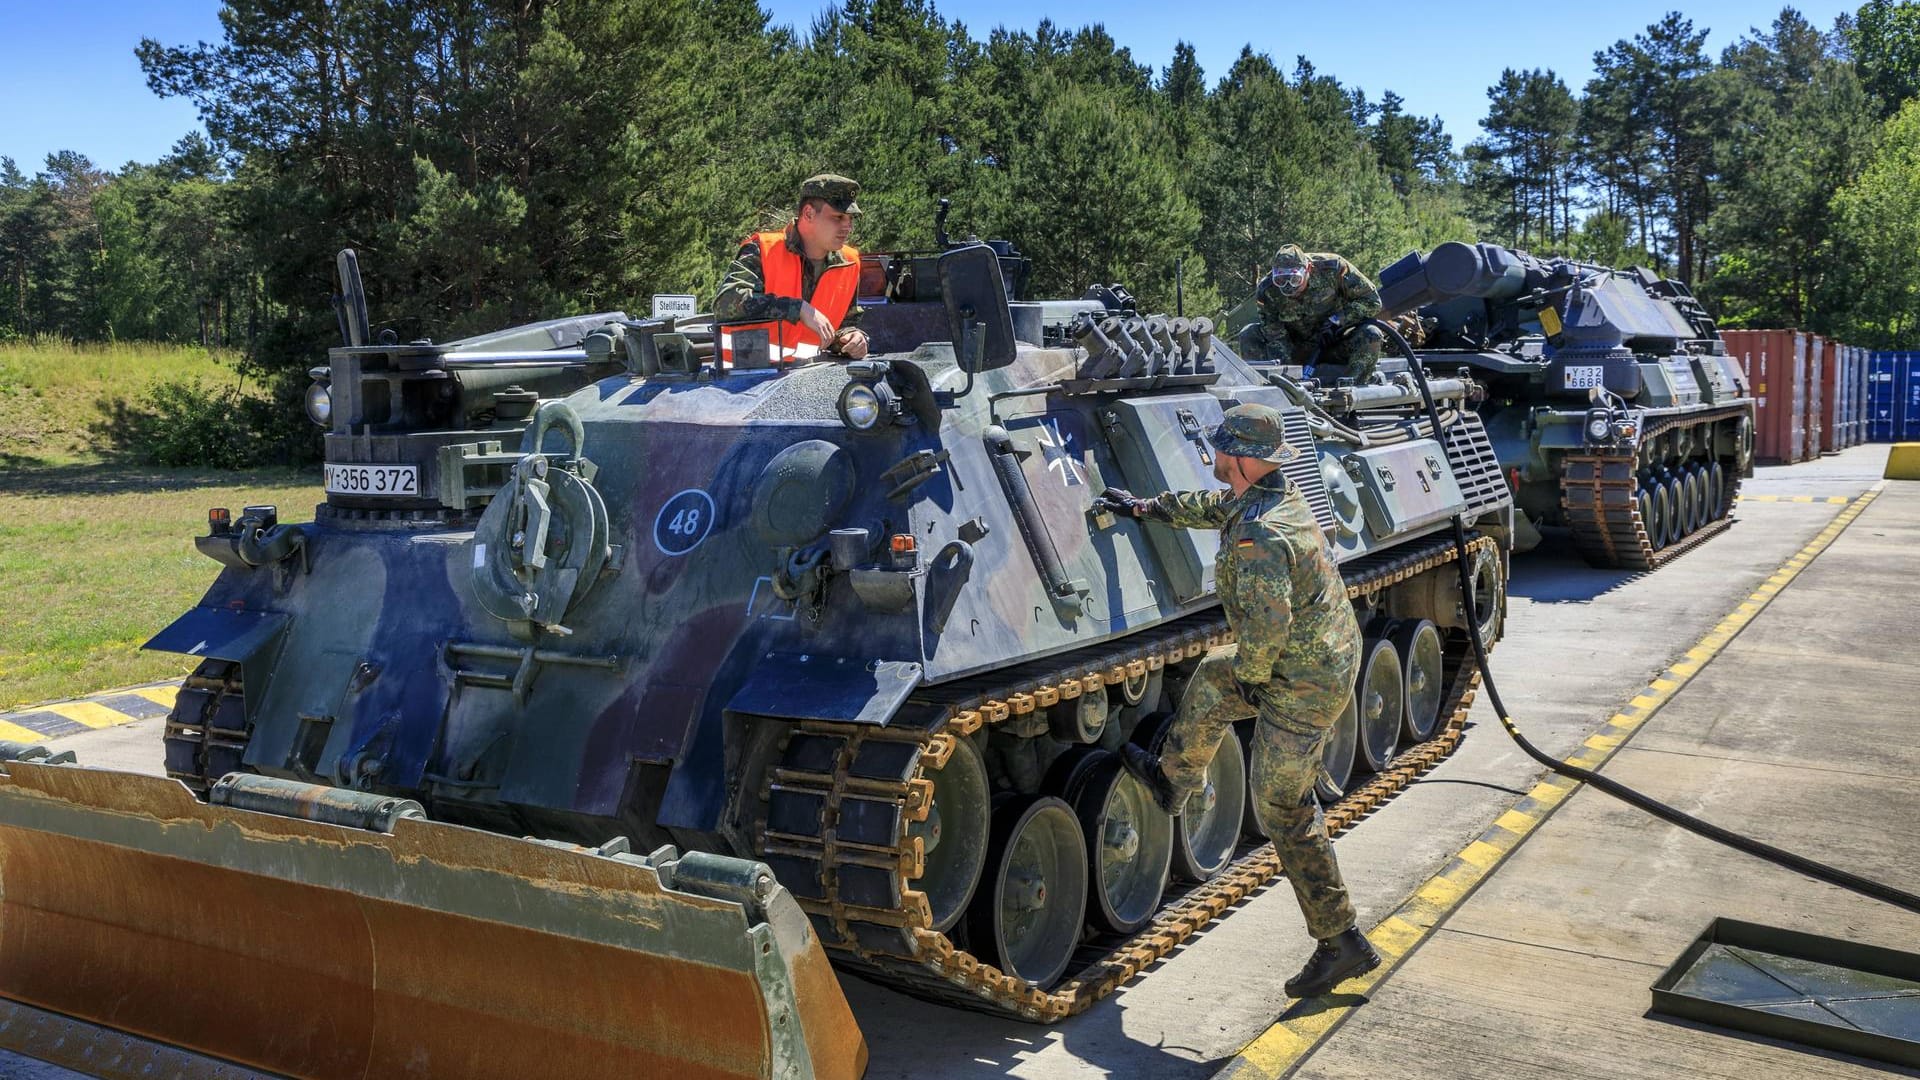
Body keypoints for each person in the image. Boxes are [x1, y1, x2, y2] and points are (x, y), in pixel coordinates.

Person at [1093, 403, 1380, 999]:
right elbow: (1212, 509)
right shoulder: (1272, 496)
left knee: (1280, 807)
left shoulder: (1259, 535)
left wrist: (1254, 676)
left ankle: (1341, 940)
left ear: (1247, 459)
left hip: (1305, 681)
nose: (1216, 461)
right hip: (1320, 653)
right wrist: (1146, 507)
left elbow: (1266, 627)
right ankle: (1175, 778)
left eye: (1224, 453)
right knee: (1214, 677)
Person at [713, 173, 870, 365]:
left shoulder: (850, 262)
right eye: (838, 217)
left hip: (804, 380)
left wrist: (852, 338)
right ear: (809, 214)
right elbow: (726, 302)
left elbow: (846, 324)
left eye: (851, 218)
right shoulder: (763, 249)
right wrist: (797, 308)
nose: (848, 227)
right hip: (744, 379)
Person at [1236, 244, 1383, 382]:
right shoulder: (1267, 290)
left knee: (1371, 334)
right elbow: (1275, 336)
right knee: (1249, 333)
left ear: (1309, 269)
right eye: (1280, 280)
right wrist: (1287, 376)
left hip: (1336, 345)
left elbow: (1372, 302)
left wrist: (1338, 321)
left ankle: (1351, 388)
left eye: (1295, 280)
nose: (1288, 288)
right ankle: (1264, 389)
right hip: (1297, 350)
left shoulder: (1335, 268)